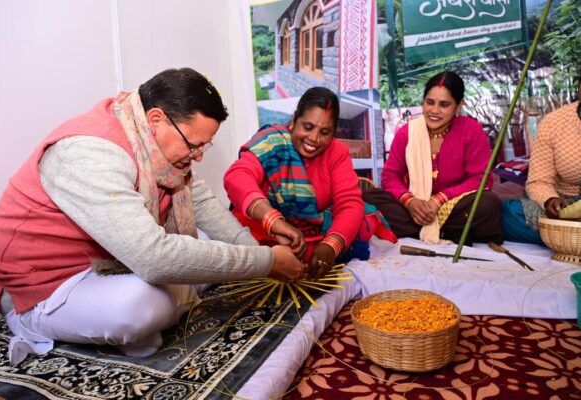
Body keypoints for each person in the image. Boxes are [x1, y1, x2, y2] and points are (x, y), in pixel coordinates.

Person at [0, 68, 305, 365]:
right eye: (194, 145)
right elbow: (154, 259)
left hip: (106, 259)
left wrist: (259, 256)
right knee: (143, 304)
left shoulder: (144, 135)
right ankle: (29, 321)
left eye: (205, 145)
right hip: (46, 286)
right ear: (156, 119)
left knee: (200, 243)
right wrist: (265, 261)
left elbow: (201, 202)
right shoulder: (88, 153)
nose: (199, 156)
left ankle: (170, 298)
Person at [224, 87, 395, 278]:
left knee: (358, 225)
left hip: (313, 233)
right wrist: (273, 221)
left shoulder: (336, 152)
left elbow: (348, 203)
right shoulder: (272, 142)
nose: (314, 138)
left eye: (325, 132)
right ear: (295, 119)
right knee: (250, 250)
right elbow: (237, 176)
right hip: (266, 233)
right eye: (307, 127)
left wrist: (331, 245)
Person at [364, 71, 503, 245]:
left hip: (453, 206)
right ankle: (449, 232)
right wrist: (410, 201)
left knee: (488, 203)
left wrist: (439, 199)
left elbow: (480, 179)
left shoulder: (471, 131)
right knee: (369, 197)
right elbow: (390, 176)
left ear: (458, 105)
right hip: (415, 207)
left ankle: (426, 229)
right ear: (423, 101)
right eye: (430, 102)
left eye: (444, 104)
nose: (434, 111)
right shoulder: (408, 132)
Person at [501, 78, 581, 243]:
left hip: (565, 225)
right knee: (511, 213)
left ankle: (563, 239)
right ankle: (570, 237)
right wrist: (550, 200)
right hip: (566, 207)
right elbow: (539, 181)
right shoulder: (554, 122)